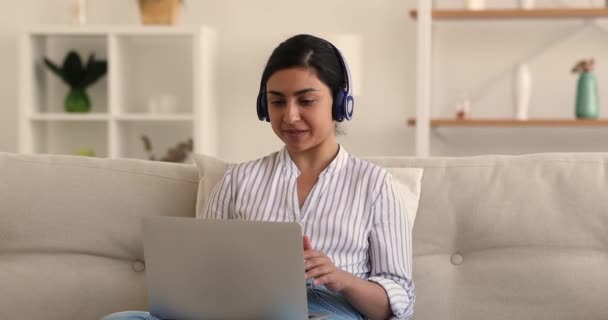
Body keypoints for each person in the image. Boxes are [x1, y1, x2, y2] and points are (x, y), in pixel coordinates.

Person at [103, 34, 414, 320]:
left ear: (340, 103)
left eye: (306, 101)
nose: (290, 116)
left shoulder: (375, 186)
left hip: (329, 310)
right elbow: (200, 273)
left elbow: (399, 302)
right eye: (277, 101)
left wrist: (341, 279)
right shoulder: (238, 181)